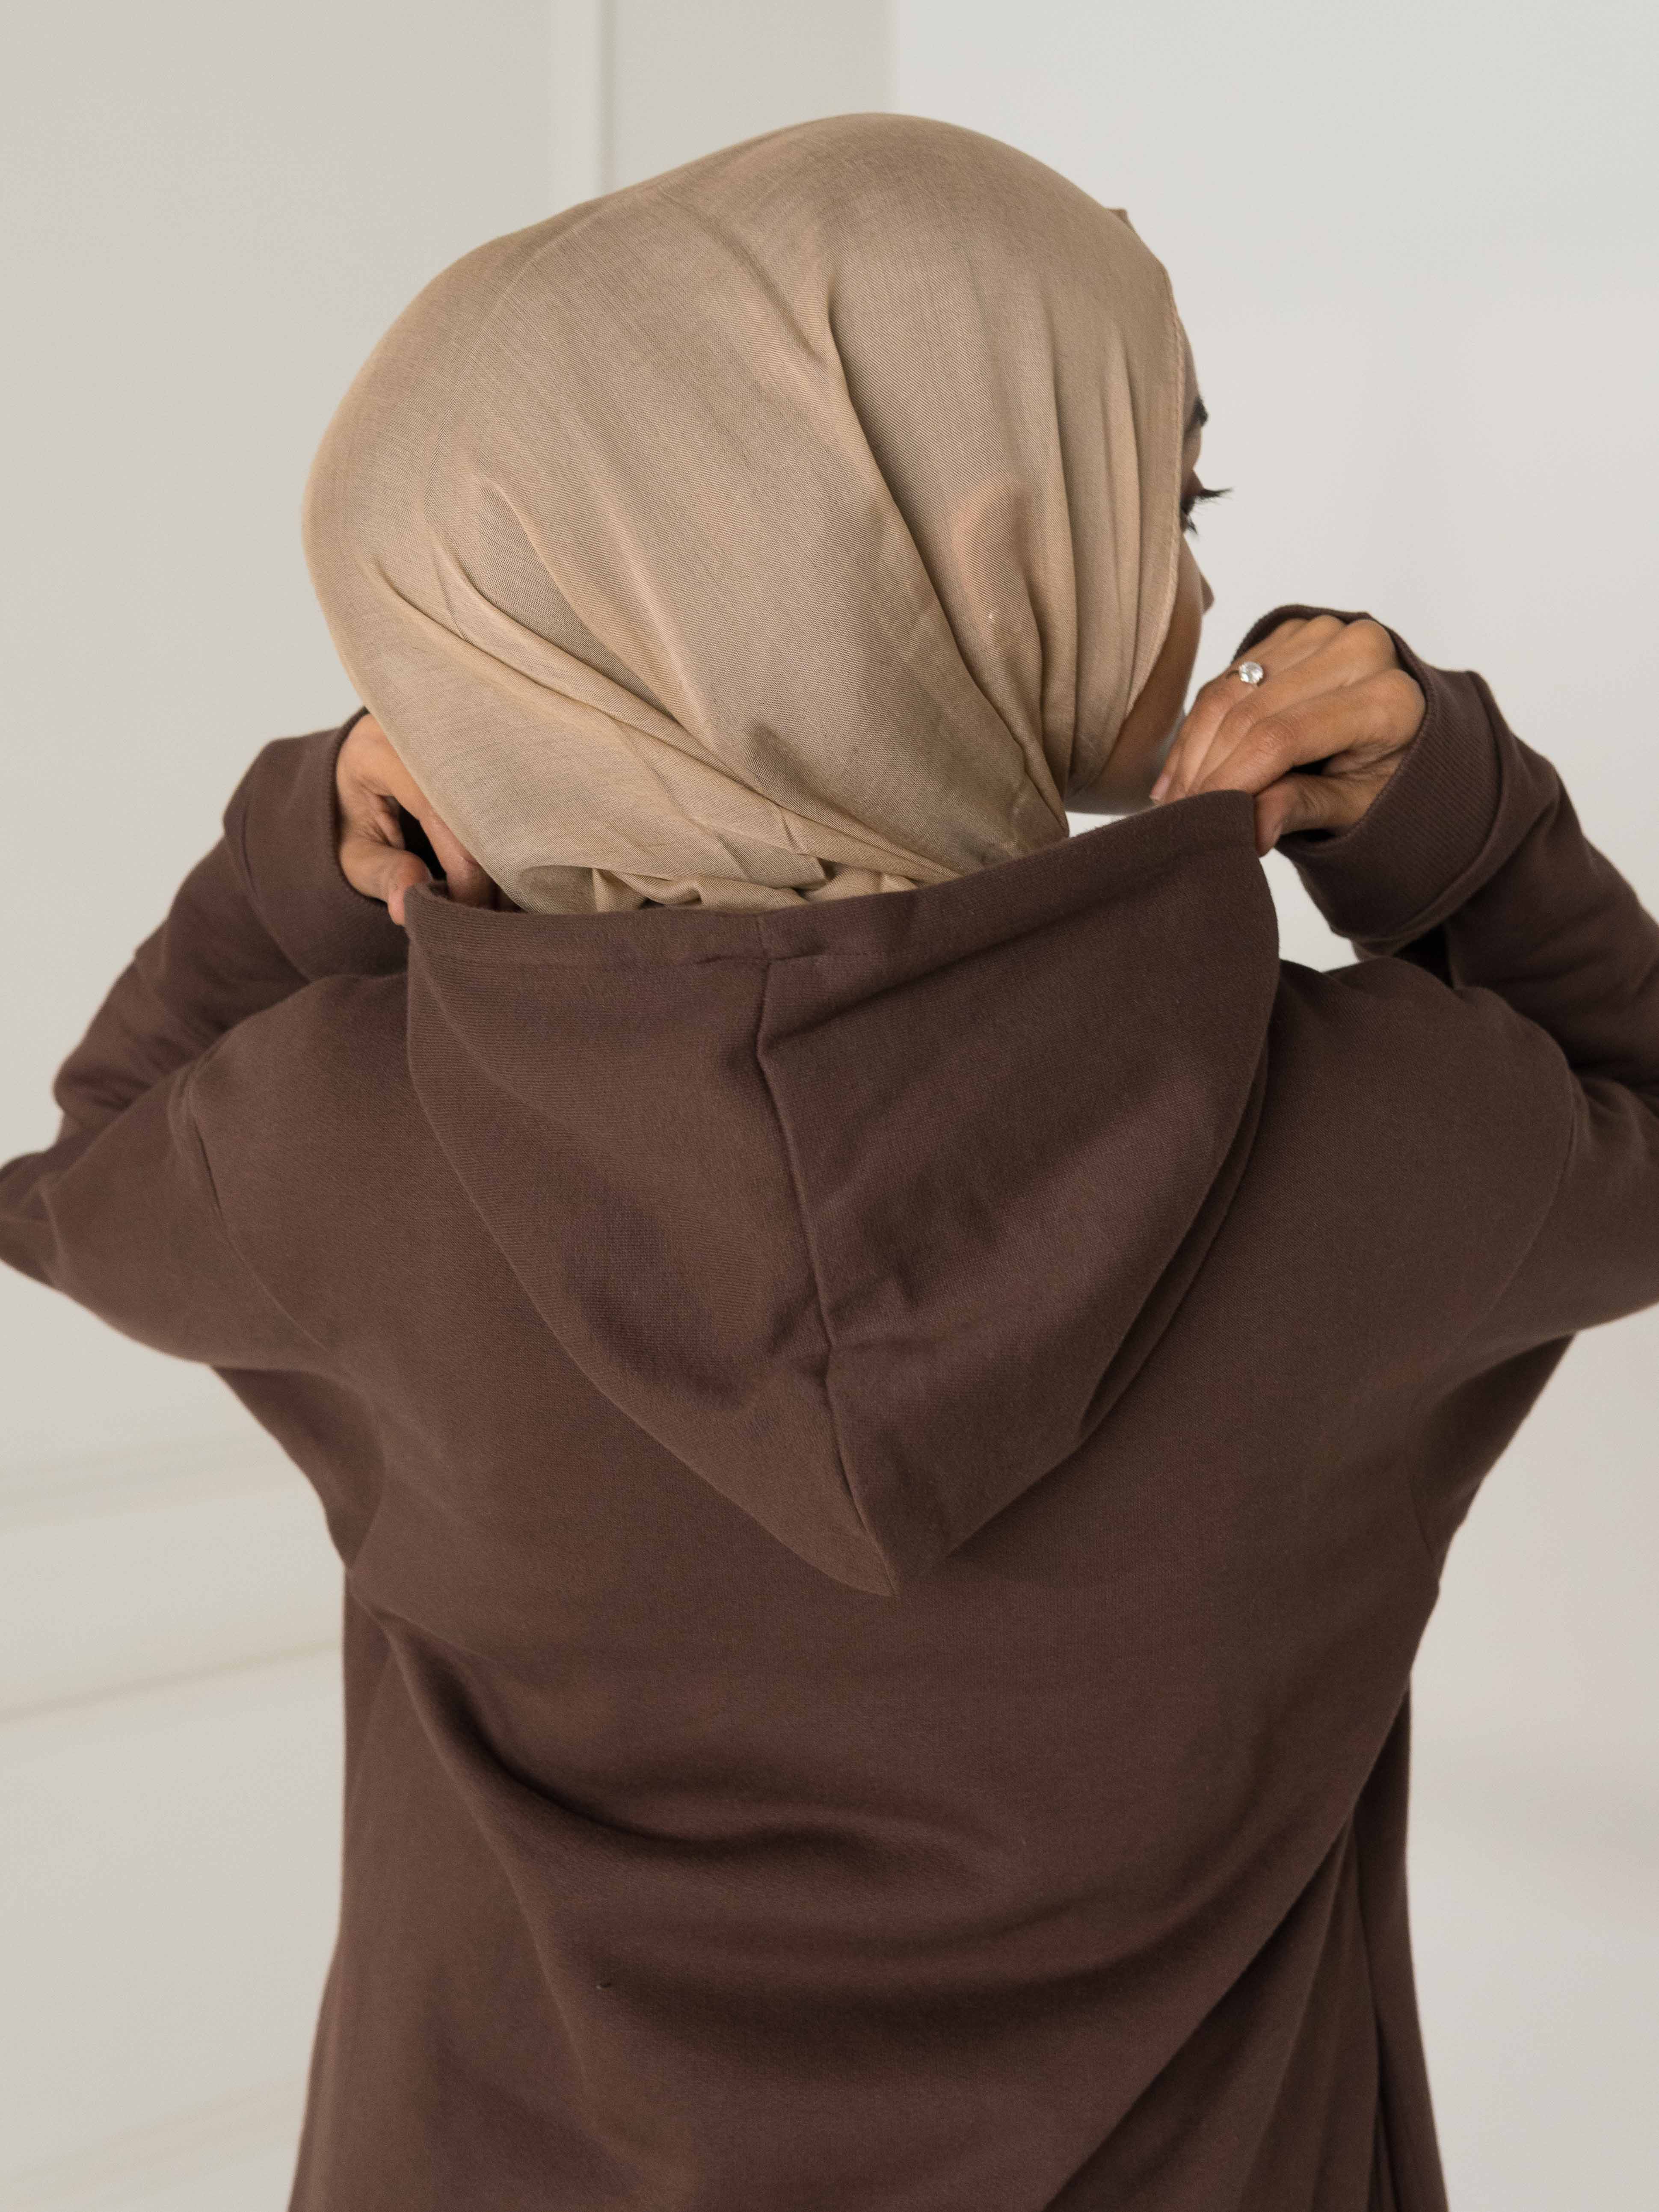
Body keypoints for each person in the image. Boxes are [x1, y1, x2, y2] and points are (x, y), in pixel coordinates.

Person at [2, 111, 1654, 2212]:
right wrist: (1452, 808)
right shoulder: (1378, 1137)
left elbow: (86, 1164)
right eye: (1162, 501)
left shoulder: (340, 1140)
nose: (1194, 583)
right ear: (953, 562)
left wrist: (299, 838)